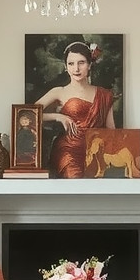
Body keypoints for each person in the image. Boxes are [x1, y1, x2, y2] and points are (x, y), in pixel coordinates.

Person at [33, 41, 116, 178]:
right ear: (66, 67)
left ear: (89, 65)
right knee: (74, 181)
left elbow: (111, 130)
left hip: (95, 153)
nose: (76, 69)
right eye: (71, 63)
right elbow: (28, 114)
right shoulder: (59, 92)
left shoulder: (105, 95)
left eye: (81, 63)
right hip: (68, 151)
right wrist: (58, 117)